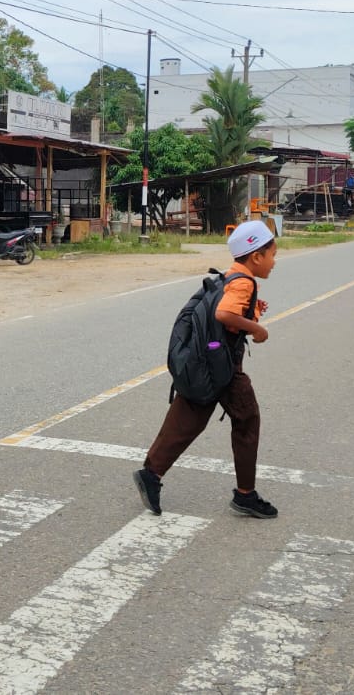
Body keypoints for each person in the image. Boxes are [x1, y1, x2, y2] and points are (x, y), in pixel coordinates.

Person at [134, 220, 279, 520]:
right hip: (223, 366)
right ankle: (245, 495)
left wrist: (251, 309)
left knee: (189, 414)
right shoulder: (244, 282)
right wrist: (256, 328)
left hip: (206, 361)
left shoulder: (229, 276)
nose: (274, 262)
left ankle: (151, 473)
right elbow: (224, 313)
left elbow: (227, 308)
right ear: (255, 256)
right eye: (272, 255)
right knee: (247, 419)